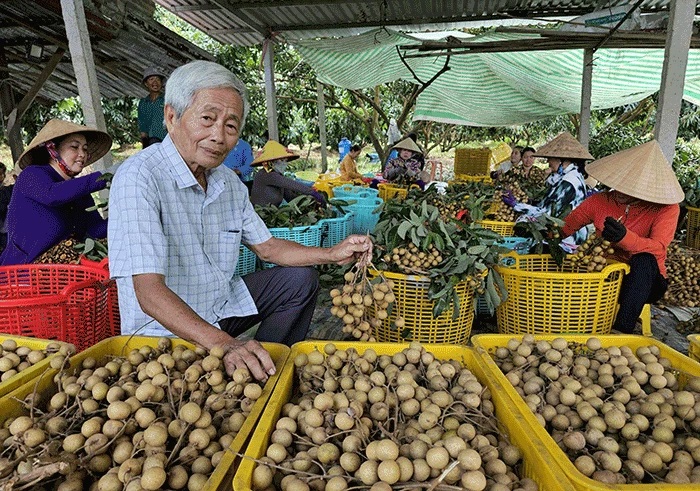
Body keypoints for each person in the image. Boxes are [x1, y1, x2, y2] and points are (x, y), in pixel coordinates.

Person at [108, 60, 372, 381]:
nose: (218, 135)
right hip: (165, 329)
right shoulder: (140, 177)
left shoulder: (229, 183)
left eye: (231, 126)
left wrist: (332, 254)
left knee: (299, 281)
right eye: (207, 119)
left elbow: (270, 248)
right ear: (171, 117)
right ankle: (244, 362)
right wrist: (226, 344)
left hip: (220, 307)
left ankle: (265, 371)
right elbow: (148, 292)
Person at [561, 140, 683, 334]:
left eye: (629, 188)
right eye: (618, 184)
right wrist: (544, 232)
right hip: (605, 277)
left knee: (644, 259)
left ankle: (621, 331)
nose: (619, 191)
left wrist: (625, 238)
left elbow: (659, 247)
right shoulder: (599, 201)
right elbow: (566, 226)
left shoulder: (666, 209)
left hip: (646, 282)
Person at [0, 119, 113, 265]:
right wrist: (104, 176)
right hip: (23, 272)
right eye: (74, 147)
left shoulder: (80, 193)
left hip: (64, 276)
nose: (82, 154)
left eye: (85, 149)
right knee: (73, 248)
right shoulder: (31, 175)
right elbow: (53, 195)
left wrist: (123, 218)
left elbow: (94, 231)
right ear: (52, 149)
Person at [250, 140, 326, 207]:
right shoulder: (267, 175)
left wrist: (308, 202)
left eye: (285, 161)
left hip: (273, 213)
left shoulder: (278, 176)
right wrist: (312, 192)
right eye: (282, 160)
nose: (285, 164)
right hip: (261, 215)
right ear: (272, 163)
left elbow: (290, 197)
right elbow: (292, 184)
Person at [137, 66, 168, 148]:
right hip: (151, 143)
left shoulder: (167, 100)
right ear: (146, 84)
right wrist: (145, 147)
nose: (155, 82)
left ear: (161, 83)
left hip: (167, 141)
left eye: (158, 79)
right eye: (151, 79)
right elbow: (143, 127)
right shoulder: (143, 103)